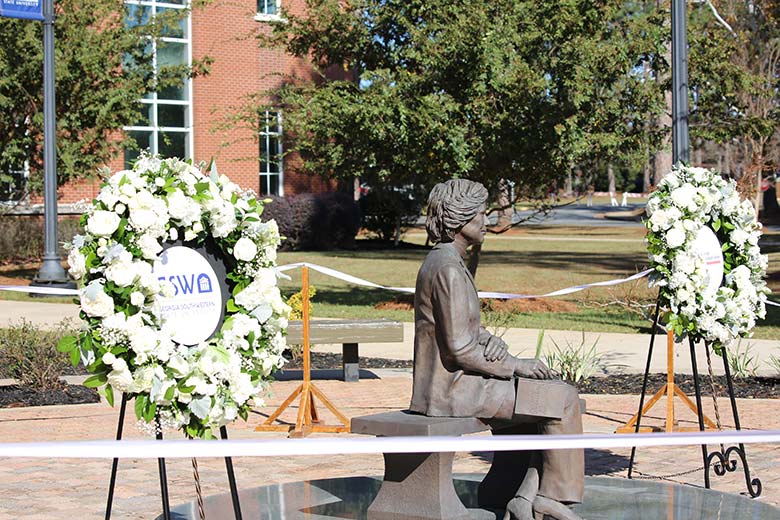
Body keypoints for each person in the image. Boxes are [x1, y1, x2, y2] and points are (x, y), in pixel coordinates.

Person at [410, 179, 584, 520]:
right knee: (561, 398)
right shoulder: (448, 268)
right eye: (480, 215)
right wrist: (515, 365)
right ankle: (551, 497)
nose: (486, 222)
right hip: (453, 391)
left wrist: (490, 341)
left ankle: (521, 495)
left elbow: (462, 331)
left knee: (547, 395)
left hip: (453, 384)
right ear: (460, 221)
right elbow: (459, 350)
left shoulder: (445, 261)